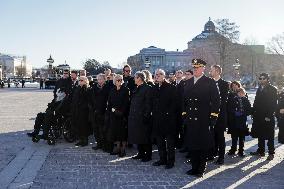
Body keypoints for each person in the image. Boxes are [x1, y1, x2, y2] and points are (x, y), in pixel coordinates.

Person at [183, 59, 220, 177]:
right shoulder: (188, 82)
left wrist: (213, 117)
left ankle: (201, 169)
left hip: (204, 119)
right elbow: (183, 101)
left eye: (197, 67)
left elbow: (216, 101)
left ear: (203, 68)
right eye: (194, 68)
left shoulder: (209, 82)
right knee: (192, 144)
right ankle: (194, 168)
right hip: (191, 119)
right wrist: (184, 115)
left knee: (202, 145)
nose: (195, 69)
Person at [152, 69, 177, 169]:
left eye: (160, 74)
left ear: (164, 75)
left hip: (168, 120)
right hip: (157, 119)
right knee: (160, 141)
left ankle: (170, 161)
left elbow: (175, 104)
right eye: (156, 75)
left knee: (170, 142)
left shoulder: (171, 87)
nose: (157, 76)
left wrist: (168, 113)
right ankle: (162, 159)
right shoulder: (155, 88)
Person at [250, 73, 277, 161]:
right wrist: (253, 112)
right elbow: (256, 102)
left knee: (270, 136)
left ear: (267, 79)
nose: (261, 80)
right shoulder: (259, 89)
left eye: (263, 78)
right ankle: (261, 151)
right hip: (258, 116)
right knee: (260, 134)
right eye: (260, 78)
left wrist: (269, 116)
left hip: (267, 116)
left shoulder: (273, 89)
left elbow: (273, 104)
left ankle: (271, 153)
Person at [128, 71, 153, 162]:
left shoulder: (147, 88)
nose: (134, 79)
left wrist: (146, 116)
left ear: (139, 78)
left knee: (145, 137)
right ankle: (141, 153)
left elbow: (148, 104)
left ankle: (148, 155)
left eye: (135, 77)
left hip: (142, 117)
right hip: (135, 117)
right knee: (138, 136)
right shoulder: (136, 88)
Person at [209, 65, 229, 165]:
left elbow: (223, 100)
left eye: (211, 70)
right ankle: (212, 154)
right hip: (210, 114)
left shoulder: (225, 84)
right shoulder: (208, 83)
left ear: (217, 71)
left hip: (220, 115)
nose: (210, 72)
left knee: (220, 136)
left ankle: (221, 158)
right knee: (212, 135)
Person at [106, 74, 130, 157]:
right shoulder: (112, 90)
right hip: (113, 114)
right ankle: (117, 148)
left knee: (122, 133)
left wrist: (121, 112)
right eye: (118, 80)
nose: (119, 81)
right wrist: (112, 111)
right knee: (115, 132)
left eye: (121, 80)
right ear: (114, 81)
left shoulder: (126, 90)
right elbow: (109, 103)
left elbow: (126, 103)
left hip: (122, 115)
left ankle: (122, 150)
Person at [90, 74, 111, 152]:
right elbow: (92, 99)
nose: (99, 81)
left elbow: (108, 100)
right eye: (98, 79)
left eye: (100, 79)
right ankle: (98, 144)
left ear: (104, 80)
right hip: (95, 112)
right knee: (96, 130)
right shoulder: (94, 87)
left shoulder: (108, 88)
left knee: (103, 130)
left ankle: (104, 145)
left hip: (104, 112)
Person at [227, 88, 251, 157]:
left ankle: (241, 150)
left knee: (241, 137)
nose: (241, 94)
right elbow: (229, 108)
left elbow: (249, 110)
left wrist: (243, 112)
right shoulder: (232, 99)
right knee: (234, 137)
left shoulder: (246, 100)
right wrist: (234, 112)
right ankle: (233, 149)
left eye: (242, 92)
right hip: (234, 121)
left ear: (244, 93)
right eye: (239, 92)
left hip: (242, 121)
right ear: (237, 93)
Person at [71, 76, 92, 147]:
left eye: (82, 80)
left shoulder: (88, 89)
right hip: (76, 110)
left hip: (84, 111)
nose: (80, 81)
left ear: (86, 81)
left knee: (84, 126)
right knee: (78, 125)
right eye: (79, 80)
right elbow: (74, 99)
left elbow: (89, 100)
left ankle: (85, 140)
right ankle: (80, 140)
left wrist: (83, 106)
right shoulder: (77, 88)